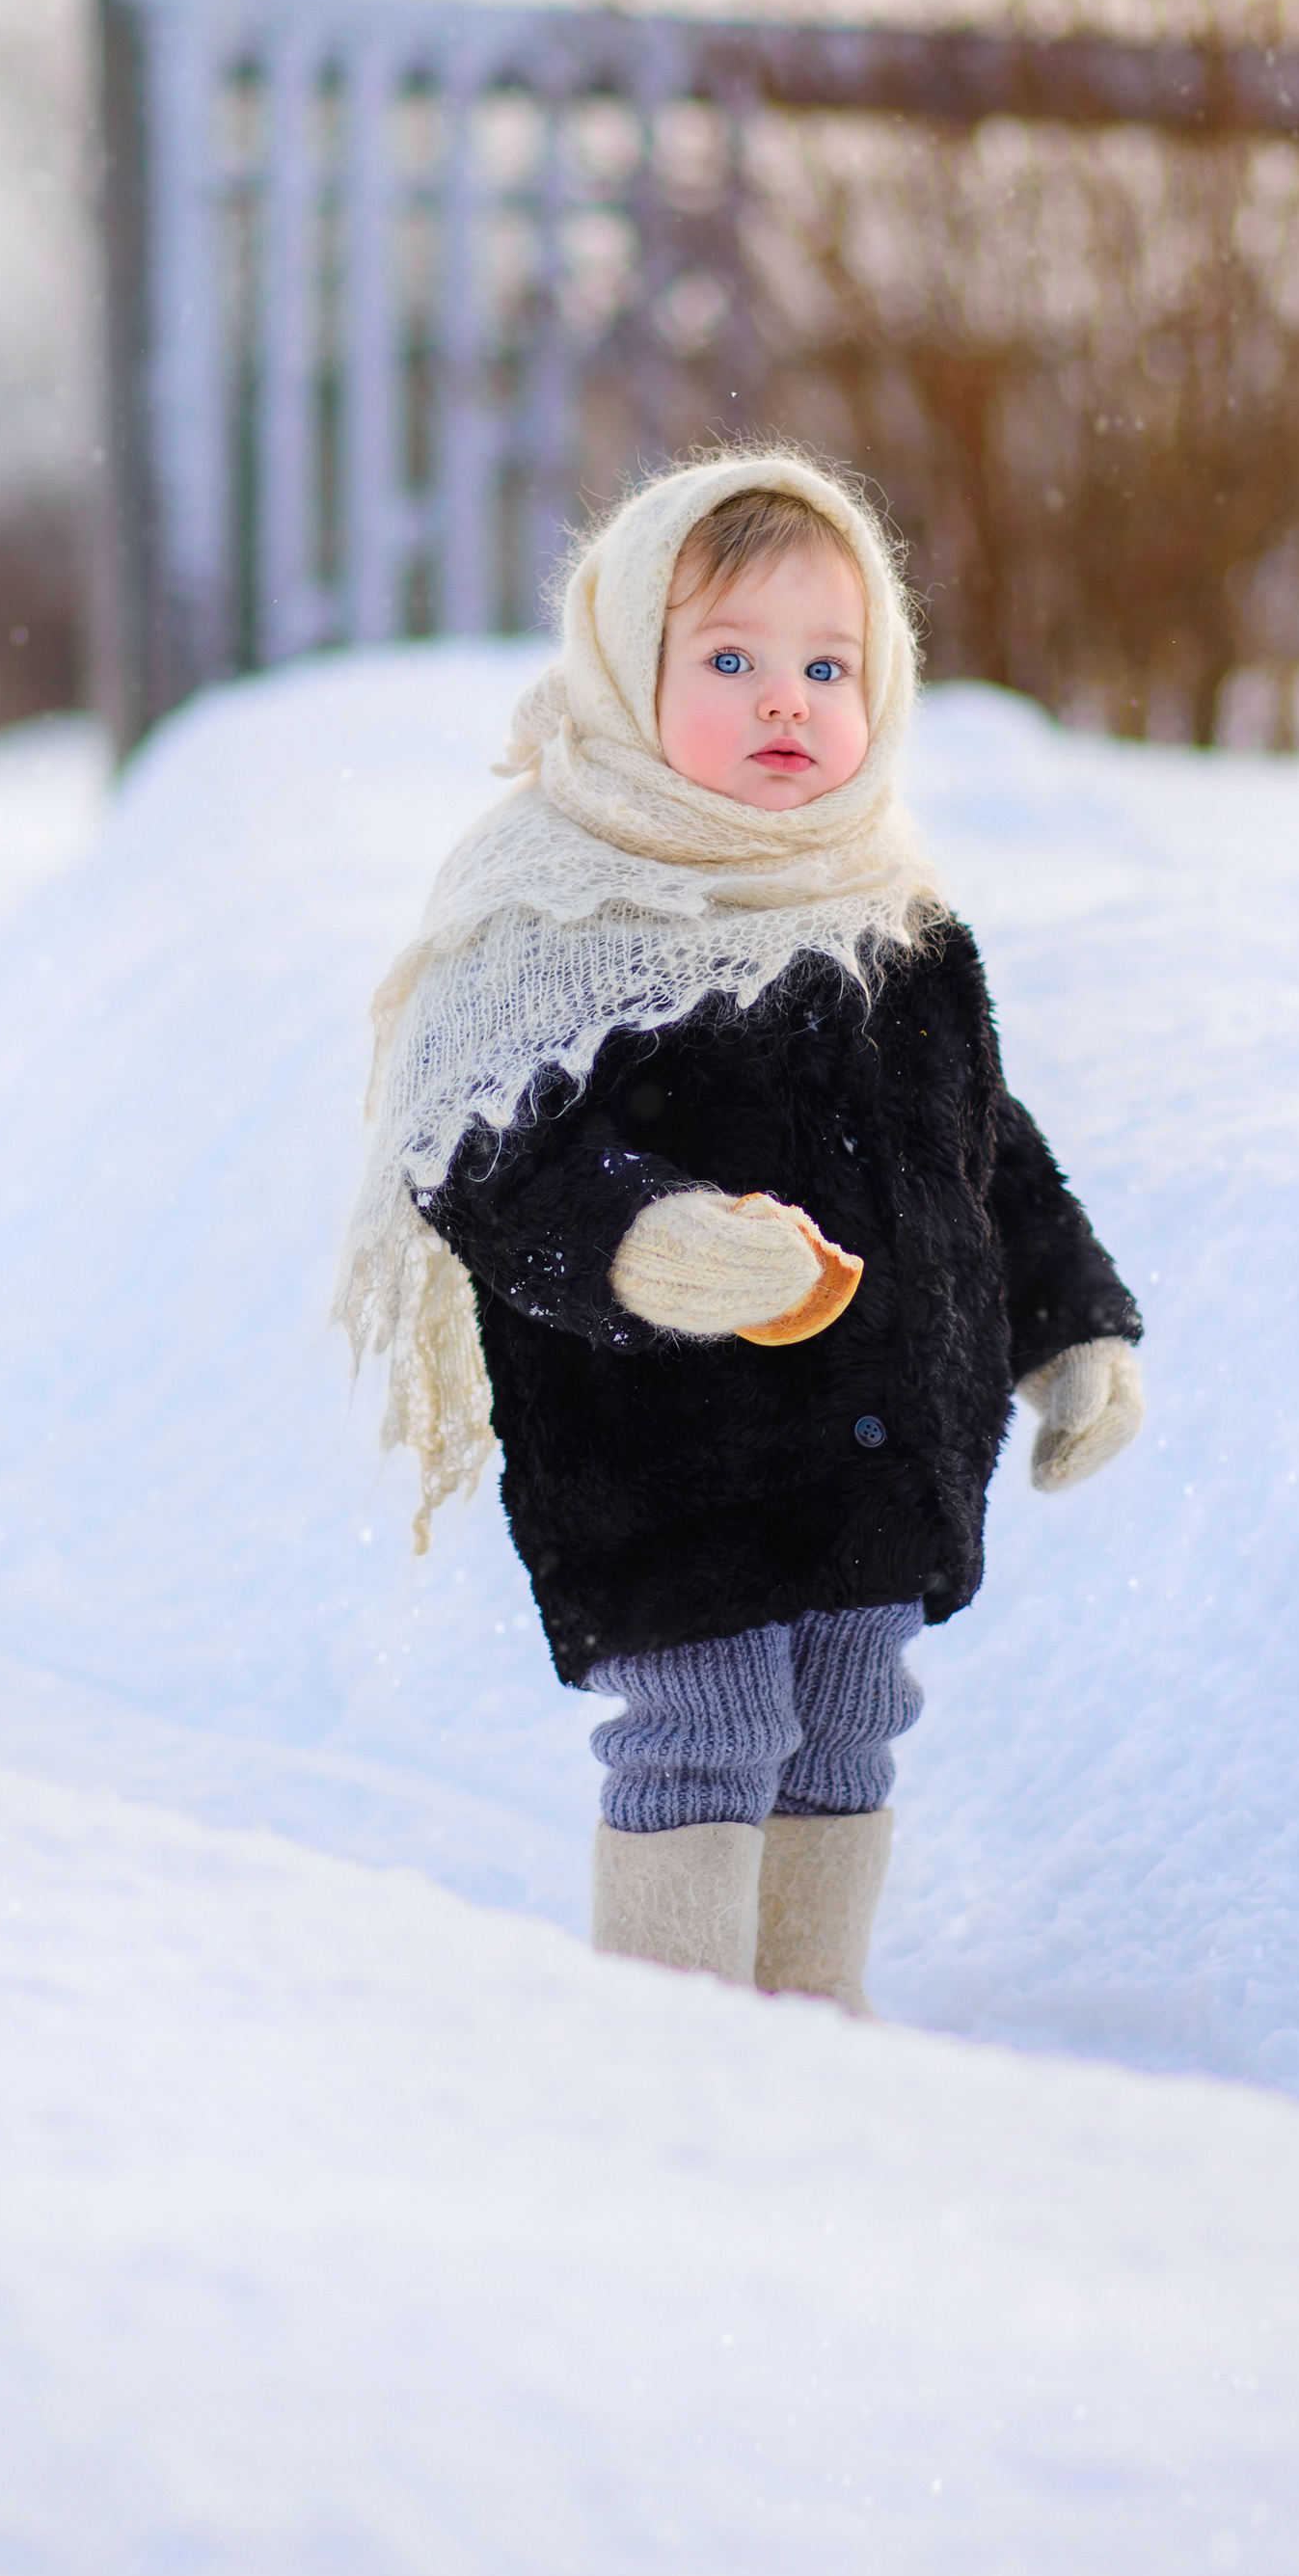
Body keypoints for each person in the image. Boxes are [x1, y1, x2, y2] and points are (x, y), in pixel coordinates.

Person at [337, 443, 1144, 2014]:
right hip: (668, 1454)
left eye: (828, 665)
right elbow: (493, 1163)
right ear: (627, 670)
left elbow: (987, 1151)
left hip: (880, 1440)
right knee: (706, 1731)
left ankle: (809, 2024)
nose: (788, 699)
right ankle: (677, 2038)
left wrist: (1075, 1330)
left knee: (849, 1722)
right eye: (728, 659)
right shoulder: (561, 909)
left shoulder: (895, 913)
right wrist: (649, 1243)